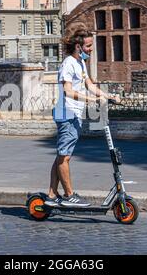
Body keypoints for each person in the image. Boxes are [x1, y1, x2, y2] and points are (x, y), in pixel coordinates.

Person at [46, 29, 120, 207]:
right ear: (78, 47)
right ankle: (69, 195)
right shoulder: (68, 64)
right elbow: (69, 91)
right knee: (64, 157)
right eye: (88, 46)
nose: (91, 49)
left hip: (74, 115)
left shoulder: (80, 63)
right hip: (67, 115)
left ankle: (51, 194)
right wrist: (91, 100)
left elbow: (89, 85)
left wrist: (106, 96)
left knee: (61, 156)